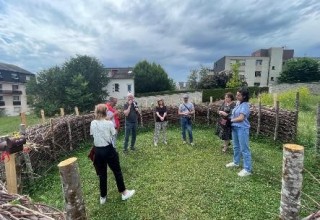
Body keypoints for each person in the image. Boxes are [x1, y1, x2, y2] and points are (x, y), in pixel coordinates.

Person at [90, 104, 135, 204]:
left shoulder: (93, 123)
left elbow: (92, 134)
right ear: (105, 112)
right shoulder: (109, 123)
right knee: (117, 171)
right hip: (108, 149)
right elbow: (113, 133)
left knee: (102, 174)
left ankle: (103, 197)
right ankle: (124, 193)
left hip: (97, 151)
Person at [226, 87, 252, 177]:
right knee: (236, 146)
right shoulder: (238, 103)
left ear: (244, 96)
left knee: (244, 149)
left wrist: (231, 120)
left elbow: (241, 118)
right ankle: (236, 162)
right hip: (235, 128)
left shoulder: (245, 105)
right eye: (236, 94)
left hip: (242, 129)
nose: (236, 96)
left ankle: (247, 169)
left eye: (238, 95)